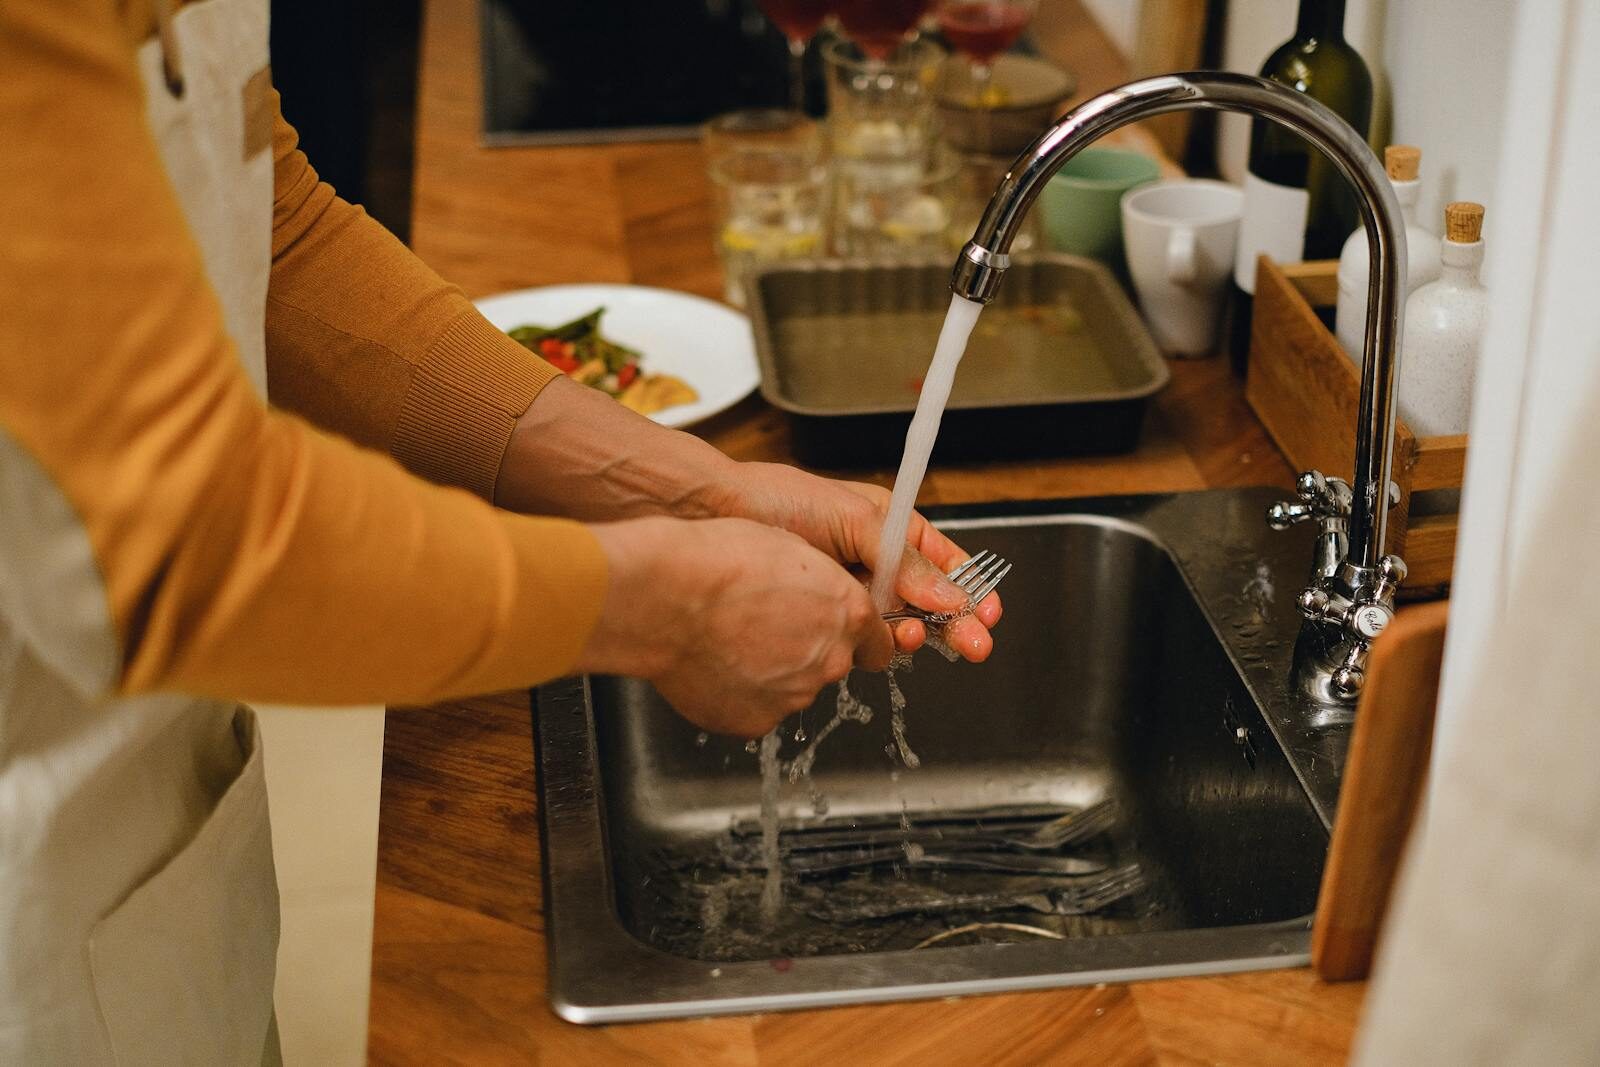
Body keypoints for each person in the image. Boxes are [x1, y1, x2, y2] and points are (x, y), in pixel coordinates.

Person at [0, 0, 1002, 1061]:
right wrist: (663, 606)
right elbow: (179, 547)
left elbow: (273, 230)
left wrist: (700, 493)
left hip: (148, 848)